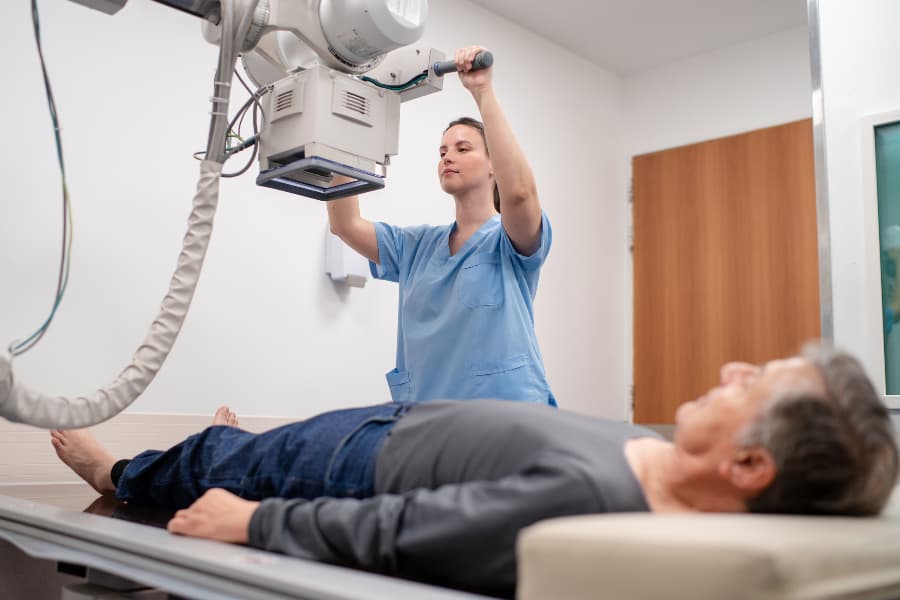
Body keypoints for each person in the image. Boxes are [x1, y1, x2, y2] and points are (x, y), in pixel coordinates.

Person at [51, 344, 898, 597]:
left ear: (749, 463)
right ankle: (195, 458)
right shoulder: (665, 462)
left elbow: (410, 535)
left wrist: (254, 522)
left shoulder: (596, 505)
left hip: (358, 469)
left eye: (756, 385)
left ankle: (121, 473)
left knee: (219, 463)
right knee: (235, 452)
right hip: (395, 428)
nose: (734, 369)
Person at [327, 45, 556, 406]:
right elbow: (345, 223)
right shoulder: (415, 247)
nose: (448, 156)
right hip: (429, 423)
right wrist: (346, 129)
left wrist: (482, 91)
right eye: (442, 152)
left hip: (507, 423)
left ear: (493, 164)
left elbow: (522, 194)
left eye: (463, 149)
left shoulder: (510, 244)